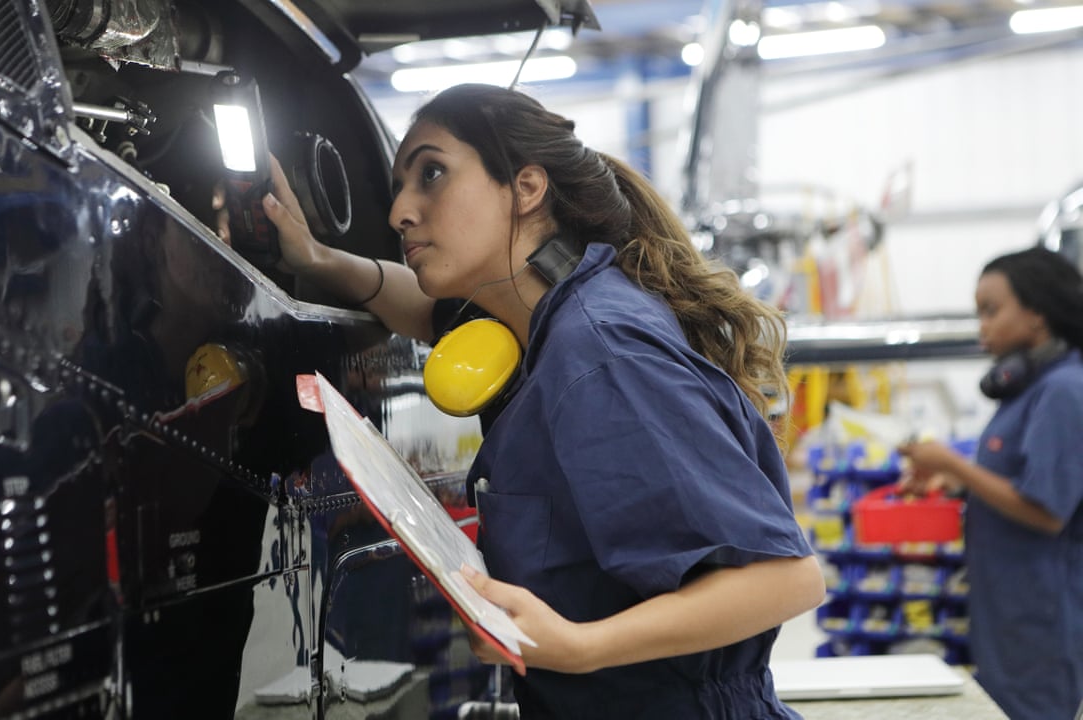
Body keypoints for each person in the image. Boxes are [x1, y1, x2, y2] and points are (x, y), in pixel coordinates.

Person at [250, 83, 825, 718]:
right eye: (399, 187)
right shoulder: (541, 323)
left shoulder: (599, 353)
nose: (399, 213)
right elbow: (416, 305)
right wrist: (318, 260)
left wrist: (580, 646)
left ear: (526, 188)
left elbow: (783, 578)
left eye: (432, 174)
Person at [898, 246, 1083, 720]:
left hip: (1043, 618)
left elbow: (1046, 510)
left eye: (992, 310)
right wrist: (952, 479)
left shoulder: (1063, 391)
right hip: (1010, 613)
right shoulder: (1032, 390)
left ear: (1037, 313)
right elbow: (1013, 480)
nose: (982, 325)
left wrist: (955, 466)